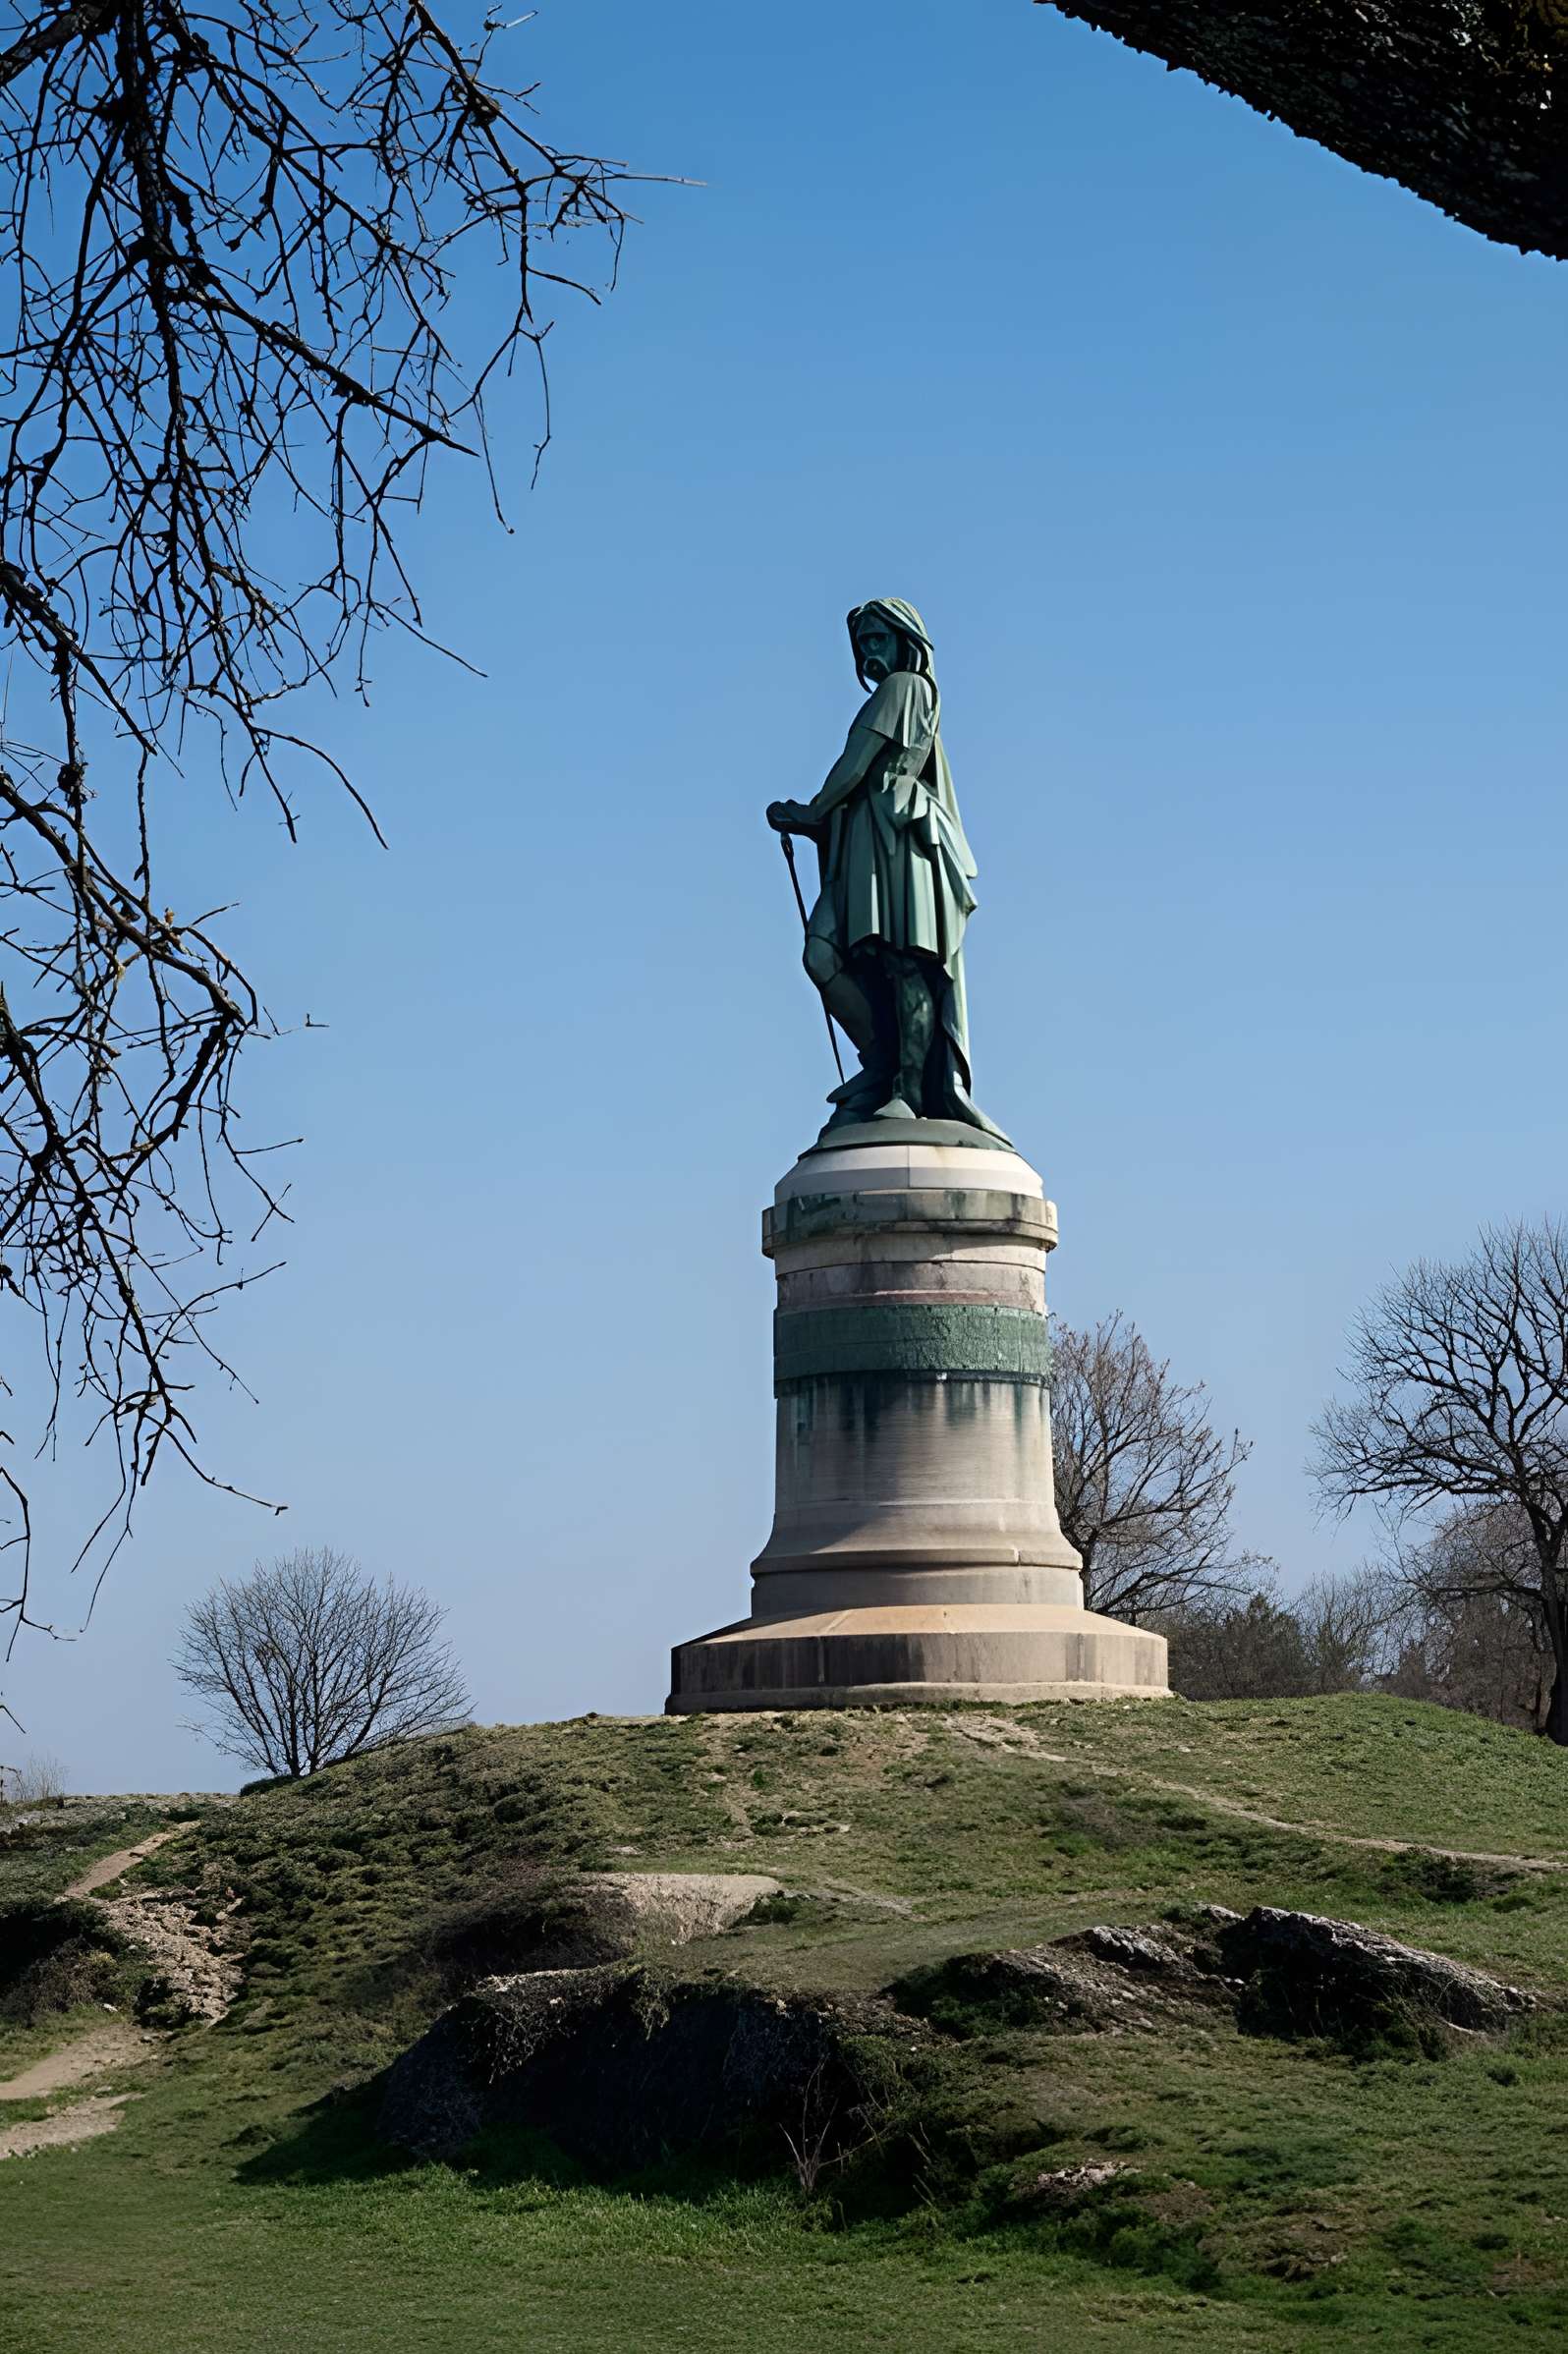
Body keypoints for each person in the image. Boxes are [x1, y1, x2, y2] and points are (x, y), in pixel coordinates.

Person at [767, 597, 1008, 1139]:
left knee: (904, 961)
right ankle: (879, 1064)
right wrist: (816, 822)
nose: (871, 651)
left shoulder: (907, 687)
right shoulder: (892, 693)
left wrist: (811, 810)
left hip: (897, 836)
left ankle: (908, 1088)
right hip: (858, 838)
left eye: (879, 638)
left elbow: (858, 760)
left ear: (905, 640)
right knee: (823, 955)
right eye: (863, 643)